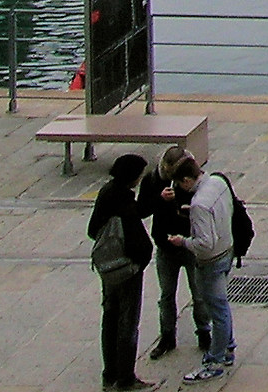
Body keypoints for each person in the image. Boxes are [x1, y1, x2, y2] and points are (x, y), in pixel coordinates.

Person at [87, 154, 155, 391]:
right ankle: (126, 378)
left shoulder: (107, 192)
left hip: (108, 268)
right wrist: (141, 261)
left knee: (110, 318)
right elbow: (137, 240)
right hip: (127, 270)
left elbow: (92, 229)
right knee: (127, 323)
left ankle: (110, 374)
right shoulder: (124, 201)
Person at [176, 159, 240, 381]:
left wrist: (183, 242)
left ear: (187, 180)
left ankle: (215, 359)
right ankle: (228, 347)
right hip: (227, 250)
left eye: (180, 183)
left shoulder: (199, 204)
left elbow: (205, 243)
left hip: (211, 260)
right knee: (222, 304)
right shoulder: (218, 182)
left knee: (217, 308)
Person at [142, 143, 206, 363]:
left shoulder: (192, 177)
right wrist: (159, 199)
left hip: (188, 243)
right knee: (166, 295)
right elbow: (141, 210)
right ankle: (167, 337)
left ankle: (204, 334)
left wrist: (178, 202)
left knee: (198, 294)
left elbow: (199, 206)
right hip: (165, 245)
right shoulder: (152, 179)